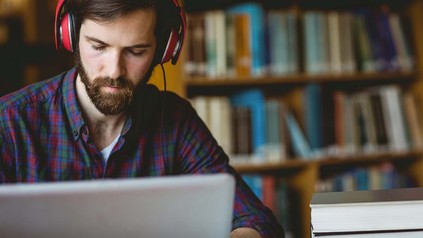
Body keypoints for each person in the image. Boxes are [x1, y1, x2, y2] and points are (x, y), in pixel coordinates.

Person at [0, 0, 284, 237]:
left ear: (164, 49)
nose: (114, 71)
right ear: (70, 35)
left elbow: (256, 220)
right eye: (98, 47)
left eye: (136, 51)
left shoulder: (176, 122)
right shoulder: (9, 124)